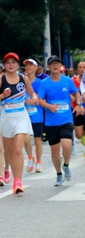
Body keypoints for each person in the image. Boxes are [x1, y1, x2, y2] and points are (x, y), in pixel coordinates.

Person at [0, 52, 36, 196]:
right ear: (5, 65)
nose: (11, 65)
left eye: (13, 62)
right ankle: (13, 177)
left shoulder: (23, 79)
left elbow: (32, 93)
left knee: (18, 149)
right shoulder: (0, 80)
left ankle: (18, 181)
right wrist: (2, 96)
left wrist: (34, 98)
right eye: (8, 62)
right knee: (11, 151)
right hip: (7, 117)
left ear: (18, 65)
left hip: (21, 116)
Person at [37, 55, 80, 186]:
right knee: (55, 150)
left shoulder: (67, 81)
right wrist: (49, 106)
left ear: (60, 66)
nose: (55, 65)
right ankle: (59, 174)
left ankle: (66, 165)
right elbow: (39, 100)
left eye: (57, 63)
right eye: (52, 63)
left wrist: (78, 104)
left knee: (66, 145)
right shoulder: (44, 83)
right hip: (51, 122)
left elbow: (76, 92)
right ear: (48, 67)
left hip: (66, 120)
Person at [23, 59, 44, 174]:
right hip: (24, 116)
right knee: (26, 140)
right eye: (27, 65)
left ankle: (39, 162)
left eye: (31, 65)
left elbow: (42, 98)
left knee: (37, 141)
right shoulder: (21, 82)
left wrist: (35, 100)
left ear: (36, 68)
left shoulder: (40, 83)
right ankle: (31, 157)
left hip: (37, 116)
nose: (28, 67)